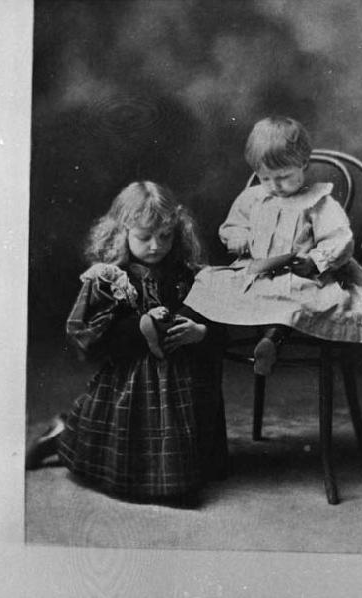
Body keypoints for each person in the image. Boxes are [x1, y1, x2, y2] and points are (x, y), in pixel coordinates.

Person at [26, 181, 228, 507]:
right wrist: (140, 326)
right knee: (124, 435)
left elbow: (220, 320)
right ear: (122, 233)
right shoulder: (110, 278)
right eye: (144, 237)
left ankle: (176, 474)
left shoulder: (187, 274)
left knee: (188, 434)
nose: (155, 246)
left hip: (185, 376)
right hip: (133, 375)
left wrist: (201, 331)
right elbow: (87, 336)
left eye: (165, 236)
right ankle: (64, 434)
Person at [184, 116, 362, 376]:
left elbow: (340, 239)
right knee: (207, 280)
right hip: (258, 274)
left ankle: (271, 342)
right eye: (265, 178)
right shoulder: (253, 198)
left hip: (301, 276)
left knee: (292, 301)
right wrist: (238, 238)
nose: (275, 186)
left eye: (283, 177)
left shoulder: (318, 202)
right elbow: (232, 226)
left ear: (303, 164)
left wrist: (315, 260)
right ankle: (178, 323)